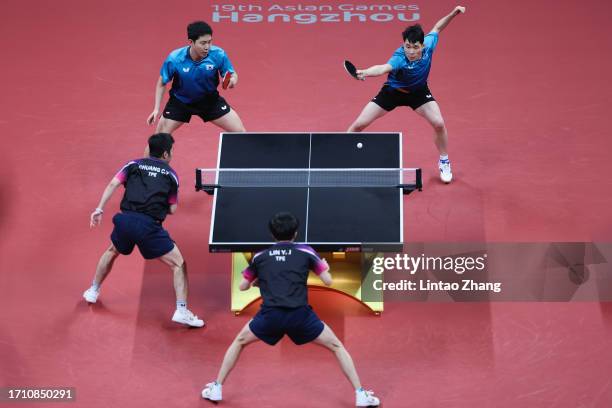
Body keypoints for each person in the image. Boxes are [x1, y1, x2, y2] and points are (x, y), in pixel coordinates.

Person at [201, 212, 380, 407]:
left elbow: (243, 286)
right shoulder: (306, 252)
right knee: (336, 346)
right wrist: (326, 269)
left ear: (272, 234)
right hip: (300, 317)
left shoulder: (260, 257)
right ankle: (360, 394)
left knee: (239, 342)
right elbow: (328, 282)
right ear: (295, 233)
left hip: (270, 317)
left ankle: (217, 387)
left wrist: (262, 282)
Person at [83, 133, 204, 328]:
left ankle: (92, 290)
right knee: (178, 265)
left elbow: (114, 183)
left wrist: (99, 209)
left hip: (125, 221)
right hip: (149, 226)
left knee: (112, 251)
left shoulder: (132, 165)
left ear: (149, 149)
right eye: (172, 151)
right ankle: (182, 310)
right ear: (165, 154)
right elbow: (172, 209)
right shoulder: (171, 175)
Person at [347, 6, 467, 184]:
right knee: (358, 125)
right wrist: (364, 72)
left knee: (439, 124)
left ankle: (444, 161)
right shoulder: (400, 57)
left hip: (418, 92)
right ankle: (339, 156)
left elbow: (438, 27)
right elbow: (383, 68)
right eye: (407, 46)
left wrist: (453, 13)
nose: (410, 51)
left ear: (422, 45)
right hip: (392, 92)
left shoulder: (429, 44)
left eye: (415, 47)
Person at [146, 21, 246, 134]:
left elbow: (232, 74)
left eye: (209, 42)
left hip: (209, 100)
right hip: (180, 101)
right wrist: (156, 109)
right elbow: (162, 82)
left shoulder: (218, 54)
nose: (207, 47)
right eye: (203, 43)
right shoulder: (175, 58)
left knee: (240, 132)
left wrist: (232, 80)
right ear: (191, 42)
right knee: (158, 140)